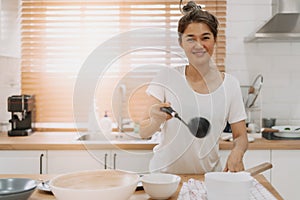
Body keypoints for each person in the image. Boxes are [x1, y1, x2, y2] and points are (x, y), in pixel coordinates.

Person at [139, 0, 248, 174]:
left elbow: (241, 136)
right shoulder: (166, 77)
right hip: (165, 178)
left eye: (205, 38)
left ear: (215, 40)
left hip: (208, 178)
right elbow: (143, 132)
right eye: (191, 39)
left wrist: (238, 151)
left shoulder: (230, 85)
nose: (198, 45)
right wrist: (155, 119)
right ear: (181, 42)